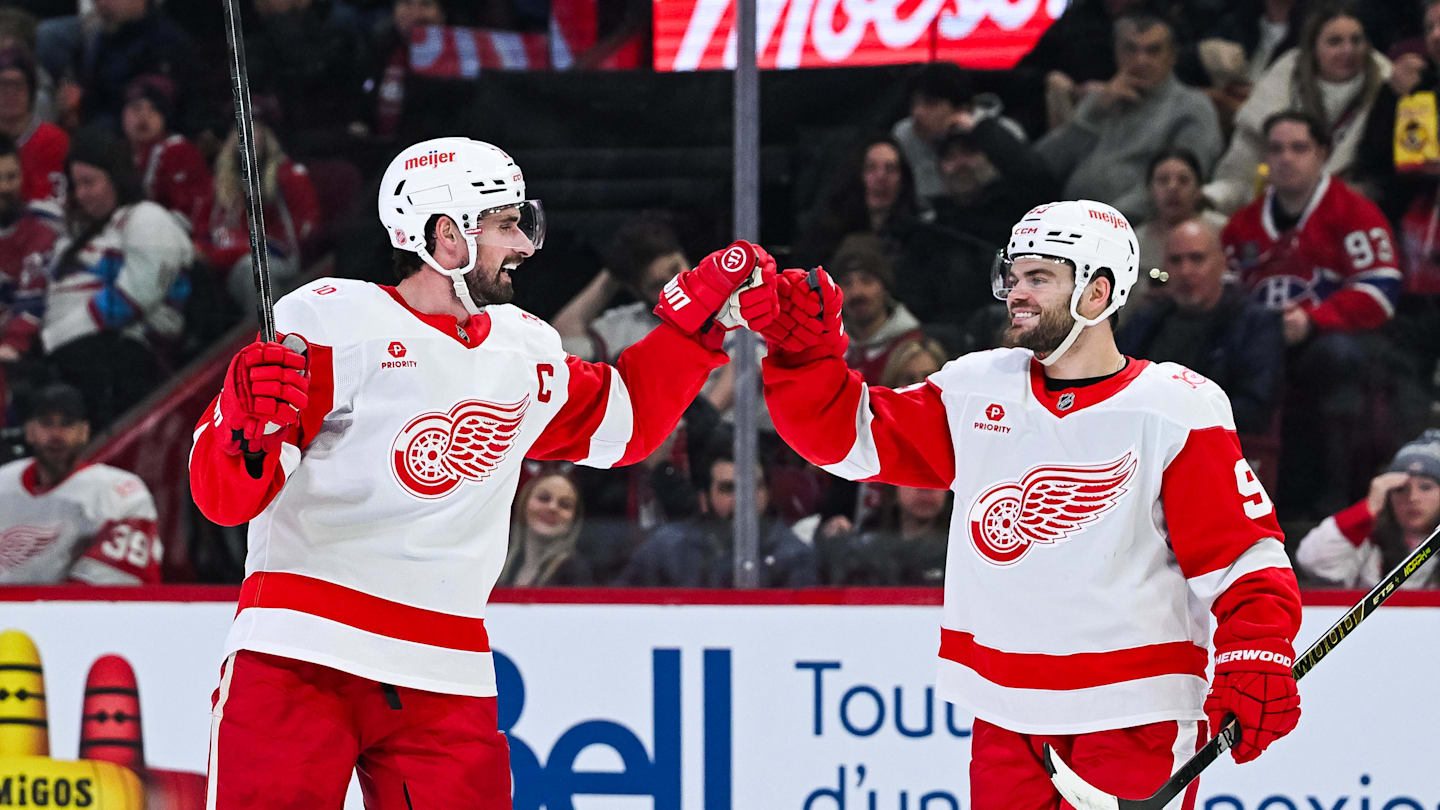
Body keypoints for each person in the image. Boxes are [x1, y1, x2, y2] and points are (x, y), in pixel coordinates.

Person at [187, 136, 776, 809]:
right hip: (299, 656)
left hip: (445, 672)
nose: (524, 245)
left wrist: (693, 329)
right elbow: (225, 498)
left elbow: (627, 421)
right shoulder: (329, 322)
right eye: (504, 226)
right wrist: (241, 421)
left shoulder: (522, 348)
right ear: (446, 237)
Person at [752, 199, 1302, 809]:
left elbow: (1244, 554)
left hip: (1133, 711)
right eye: (1014, 276)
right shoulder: (976, 389)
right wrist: (804, 360)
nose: (1017, 292)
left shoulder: (1175, 408)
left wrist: (1256, 649)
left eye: (1039, 278)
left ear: (1098, 293)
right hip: (1005, 713)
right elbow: (847, 438)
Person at [44, 127, 193, 428]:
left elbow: (132, 299)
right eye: (76, 185)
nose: (80, 194)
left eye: (89, 183)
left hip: (126, 359)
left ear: (116, 177)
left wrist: (52, 338)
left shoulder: (147, 217)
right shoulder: (83, 232)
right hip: (71, 356)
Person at [1034, 10, 1224, 221]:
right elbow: (1042, 167)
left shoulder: (1192, 107)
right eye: (1130, 49)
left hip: (1133, 228)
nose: (1140, 60)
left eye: (1153, 51)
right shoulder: (1103, 99)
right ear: (1116, 52)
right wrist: (1094, 114)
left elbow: (1180, 188)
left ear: (1172, 57)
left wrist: (1103, 221)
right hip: (1069, 221)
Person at [1205, 2, 1392, 214]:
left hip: (1346, 212)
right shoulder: (1284, 78)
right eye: (1335, 42)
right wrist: (1214, 197)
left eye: (1356, 40)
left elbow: (1382, 178)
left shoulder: (1384, 86)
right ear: (1313, 48)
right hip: (1269, 208)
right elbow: (1240, 168)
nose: (1348, 50)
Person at [1119, 219, 1284, 437]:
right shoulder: (1146, 321)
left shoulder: (1255, 323)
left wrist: (1177, 420)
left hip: (1219, 448)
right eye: (1175, 261)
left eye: (1197, 259)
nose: (1185, 271)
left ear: (1222, 263)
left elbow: (1254, 408)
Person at [0, 382, 161, 585]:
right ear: (30, 431)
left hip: (81, 614)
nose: (56, 434)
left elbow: (120, 583)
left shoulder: (120, 491)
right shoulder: (3, 482)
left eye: (67, 424)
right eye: (46, 423)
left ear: (84, 432)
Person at [614, 444, 817, 588]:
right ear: (704, 498)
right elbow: (618, 607)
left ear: (769, 492)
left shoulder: (793, 554)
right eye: (728, 488)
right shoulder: (667, 547)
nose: (742, 499)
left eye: (753, 487)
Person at [198, 120, 320, 312]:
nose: (245, 138)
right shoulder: (217, 186)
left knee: (254, 269)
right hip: (228, 268)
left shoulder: (287, 177)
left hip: (279, 261)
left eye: (252, 131)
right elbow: (203, 238)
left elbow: (305, 228)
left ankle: (273, 335)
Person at [1296, 429, 1440, 588]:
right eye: (1400, 489)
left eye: (1426, 487)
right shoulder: (1369, 541)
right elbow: (1311, 561)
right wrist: (1368, 508)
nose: (1413, 498)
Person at [791, 135, 919, 270]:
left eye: (891, 169)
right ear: (856, 175)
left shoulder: (919, 239)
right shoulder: (822, 236)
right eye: (871, 168)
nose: (881, 177)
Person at [120, 74, 211, 234]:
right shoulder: (119, 152)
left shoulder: (178, 151)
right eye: (136, 107)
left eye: (154, 109)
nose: (144, 116)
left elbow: (188, 216)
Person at [831, 233, 926, 384]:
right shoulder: (828, 349)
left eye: (866, 281)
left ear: (885, 288)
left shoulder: (912, 346)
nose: (857, 292)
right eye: (847, 283)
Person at [0, 134, 55, 389]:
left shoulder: (41, 223)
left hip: (25, 352)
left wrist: (11, 344)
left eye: (11, 177)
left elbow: (33, 300)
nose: (3, 188)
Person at [1136, 148, 1229, 287]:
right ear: (1149, 189)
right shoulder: (1135, 242)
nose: (1172, 187)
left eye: (1183, 180)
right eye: (1163, 181)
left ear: (1199, 190)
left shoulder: (1224, 231)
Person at [497, 469, 591, 587]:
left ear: (574, 518)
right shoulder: (500, 562)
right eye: (544, 498)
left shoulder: (574, 571)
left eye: (565, 504)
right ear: (523, 504)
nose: (552, 507)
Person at [0, 46, 65, 204]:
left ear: (31, 90)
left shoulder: (53, 140)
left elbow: (49, 208)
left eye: (18, 85)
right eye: (3, 85)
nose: (10, 93)